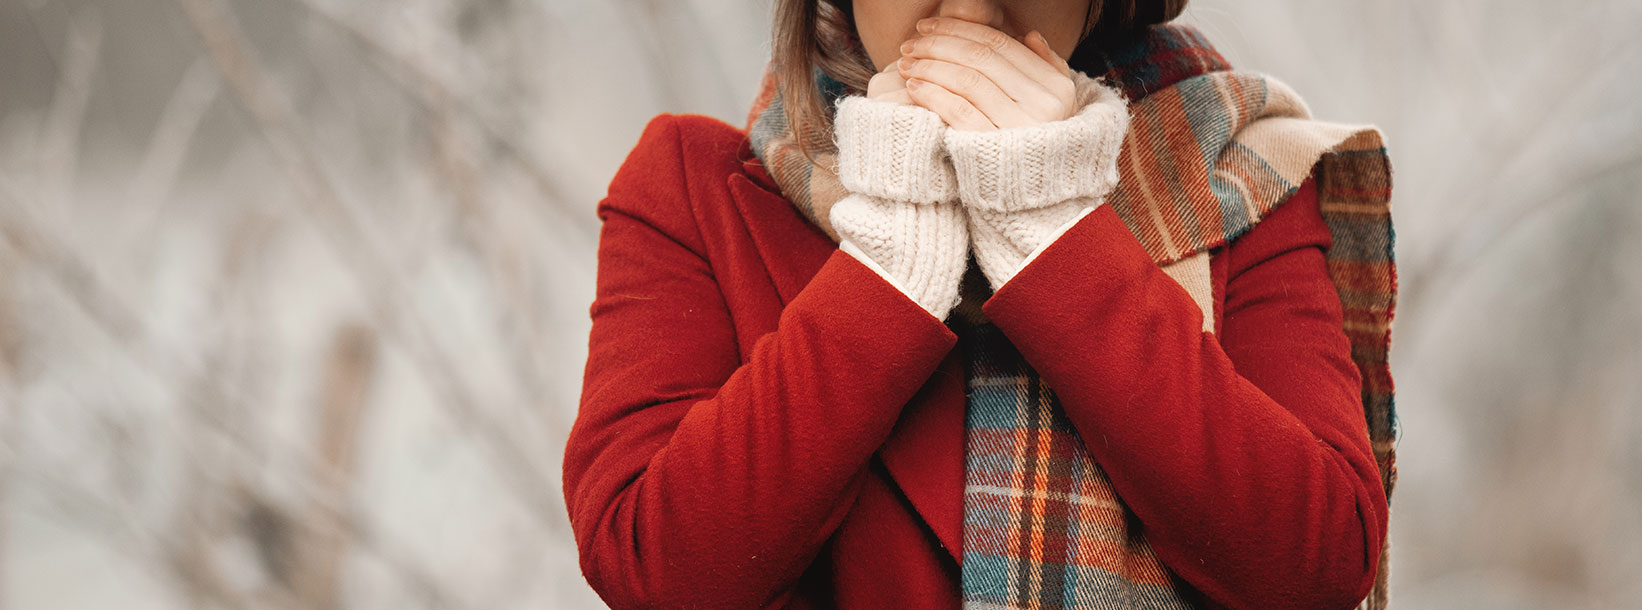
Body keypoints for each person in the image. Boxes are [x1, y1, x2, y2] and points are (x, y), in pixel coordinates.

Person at [560, 1, 1399, 608]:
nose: (972, 5)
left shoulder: (1236, 176)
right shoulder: (692, 189)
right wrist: (891, 262)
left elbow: (1316, 564)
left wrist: (1053, 231)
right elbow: (657, 568)